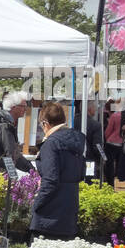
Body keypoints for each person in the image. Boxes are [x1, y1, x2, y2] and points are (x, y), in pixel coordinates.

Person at [29, 101, 87, 239]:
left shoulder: (51, 143)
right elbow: (80, 174)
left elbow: (50, 180)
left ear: (45, 123)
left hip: (50, 212)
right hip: (70, 206)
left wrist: (36, 205)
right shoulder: (76, 141)